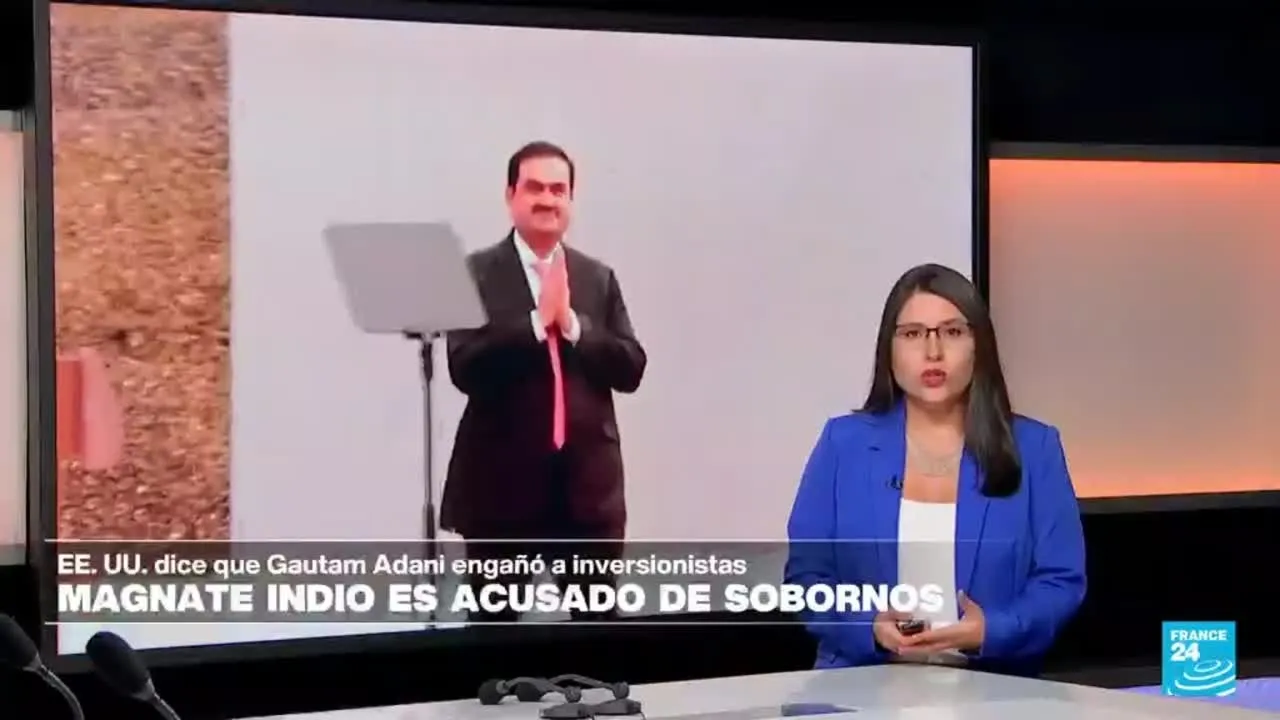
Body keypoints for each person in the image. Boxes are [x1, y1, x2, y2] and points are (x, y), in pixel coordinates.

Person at [784, 263, 1085, 676]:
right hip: (860, 684)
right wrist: (869, 627)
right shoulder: (843, 444)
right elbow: (807, 579)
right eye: (912, 334)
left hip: (996, 689)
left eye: (952, 332)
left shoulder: (1035, 448)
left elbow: (1060, 580)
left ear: (979, 345)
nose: (933, 352)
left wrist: (992, 631)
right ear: (889, 349)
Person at [442, 141, 647, 621]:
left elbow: (631, 367)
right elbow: (464, 365)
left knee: (598, 636)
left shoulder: (596, 277)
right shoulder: (476, 274)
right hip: (499, 495)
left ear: (571, 199)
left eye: (558, 190)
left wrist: (573, 326)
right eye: (534, 188)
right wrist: (536, 324)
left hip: (587, 496)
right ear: (510, 195)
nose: (547, 199)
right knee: (491, 636)